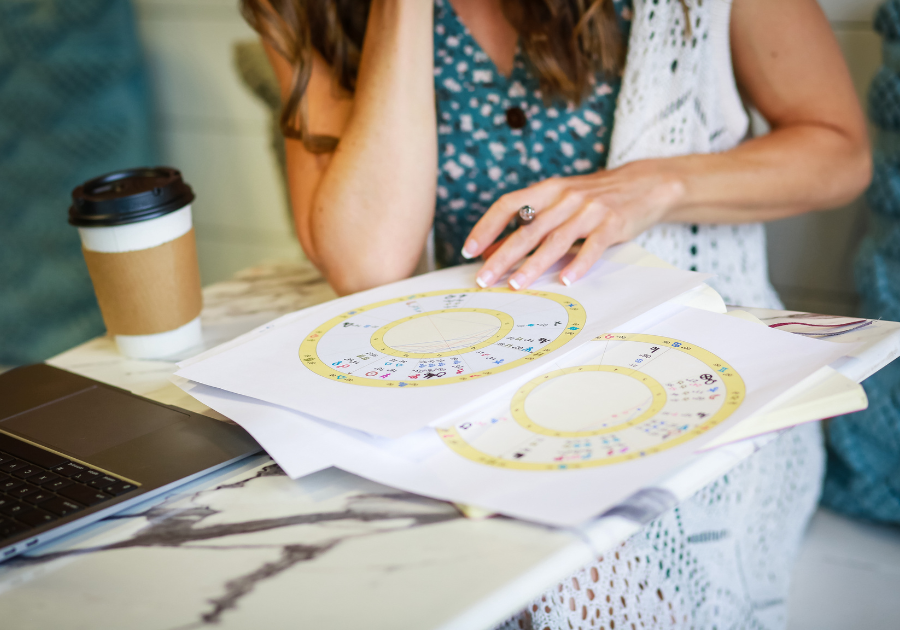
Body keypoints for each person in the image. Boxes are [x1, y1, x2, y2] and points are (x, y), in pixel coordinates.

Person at [241, 0, 870, 627]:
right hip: (463, 395)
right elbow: (367, 264)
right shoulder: (306, 10)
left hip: (698, 383)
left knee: (562, 573)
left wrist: (655, 186)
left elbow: (839, 152)